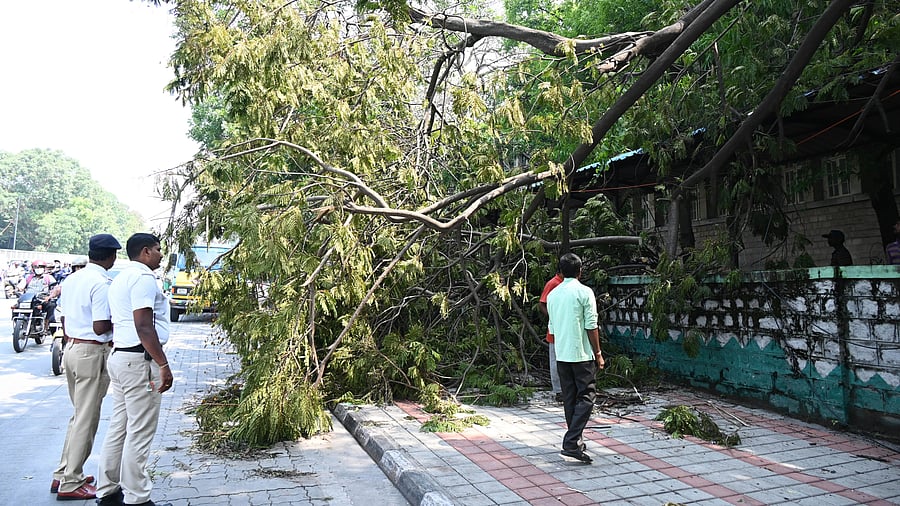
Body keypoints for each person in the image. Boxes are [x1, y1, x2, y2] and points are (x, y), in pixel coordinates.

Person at [96, 233, 173, 506]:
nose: (161, 254)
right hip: (139, 361)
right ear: (145, 252)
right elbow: (144, 325)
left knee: (119, 426)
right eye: (157, 249)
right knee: (140, 431)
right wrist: (162, 364)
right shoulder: (142, 278)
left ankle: (107, 490)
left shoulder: (120, 278)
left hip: (121, 357)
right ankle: (137, 497)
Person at [52, 235, 121, 501]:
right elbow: (100, 326)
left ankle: (63, 473)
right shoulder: (101, 283)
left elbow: (66, 317)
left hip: (71, 348)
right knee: (87, 419)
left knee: (78, 415)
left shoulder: (73, 279)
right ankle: (72, 482)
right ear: (110, 256)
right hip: (92, 351)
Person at [546, 253, 604, 464]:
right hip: (581, 353)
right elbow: (591, 325)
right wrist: (598, 353)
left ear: (560, 272)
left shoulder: (553, 295)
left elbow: (551, 327)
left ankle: (575, 441)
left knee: (570, 398)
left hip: (561, 354)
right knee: (587, 396)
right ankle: (571, 443)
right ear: (580, 271)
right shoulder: (584, 292)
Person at [538, 271, 564, 400]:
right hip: (556, 329)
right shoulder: (553, 283)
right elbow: (542, 303)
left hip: (565, 329)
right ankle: (559, 390)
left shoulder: (564, 284)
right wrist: (552, 316)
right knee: (555, 360)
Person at [18, 260, 61, 330]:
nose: (38, 269)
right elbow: (21, 285)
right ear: (33, 268)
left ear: (44, 268)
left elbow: (55, 288)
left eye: (41, 267)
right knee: (16, 306)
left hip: (43, 299)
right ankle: (19, 322)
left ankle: (46, 325)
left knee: (51, 305)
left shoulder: (48, 277)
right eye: (36, 267)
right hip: (29, 299)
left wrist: (50, 295)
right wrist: (19, 288)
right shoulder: (28, 277)